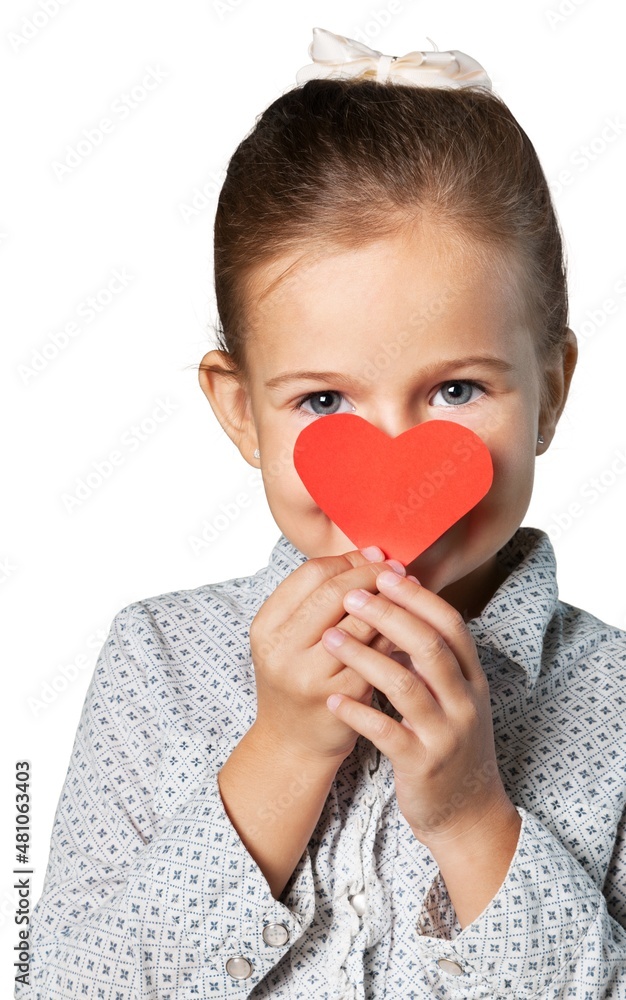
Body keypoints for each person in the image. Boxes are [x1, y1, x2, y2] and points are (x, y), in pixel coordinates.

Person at [20, 25, 626, 1000]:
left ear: (550, 389)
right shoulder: (156, 663)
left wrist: (472, 819)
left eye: (457, 389)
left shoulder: (615, 704)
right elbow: (62, 986)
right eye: (323, 401)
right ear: (240, 410)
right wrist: (281, 754)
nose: (392, 455)